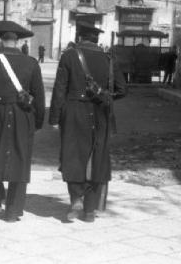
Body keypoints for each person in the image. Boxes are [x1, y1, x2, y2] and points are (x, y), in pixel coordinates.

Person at [49, 24, 126, 223]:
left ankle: (76, 199)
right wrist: (105, 96)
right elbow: (122, 89)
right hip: (101, 112)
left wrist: (54, 118)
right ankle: (90, 210)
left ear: (79, 36)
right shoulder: (109, 59)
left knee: (73, 155)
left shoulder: (69, 56)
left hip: (74, 111)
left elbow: (59, 89)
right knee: (97, 157)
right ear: (96, 39)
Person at [0, 21, 45, 222]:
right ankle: (13, 210)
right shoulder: (32, 63)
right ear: (17, 41)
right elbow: (39, 96)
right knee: (20, 158)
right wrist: (38, 122)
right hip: (24, 115)